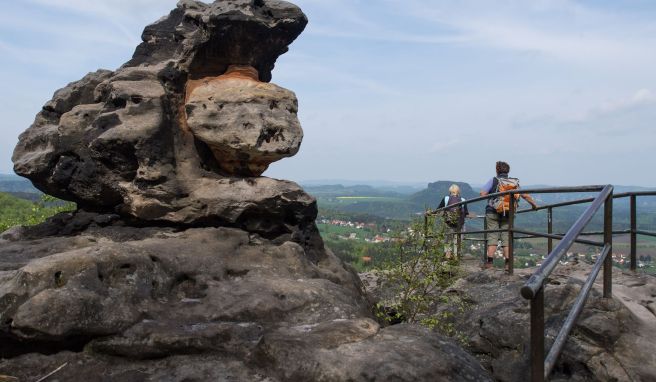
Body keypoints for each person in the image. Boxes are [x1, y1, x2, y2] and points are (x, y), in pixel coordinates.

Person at [480, 161, 538, 271]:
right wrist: (534, 205)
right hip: (508, 212)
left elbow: (482, 194)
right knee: (506, 237)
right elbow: (525, 195)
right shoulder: (513, 182)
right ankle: (507, 263)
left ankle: (489, 263)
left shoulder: (493, 180)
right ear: (508, 171)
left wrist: (492, 196)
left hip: (492, 211)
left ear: (497, 170)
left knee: (493, 236)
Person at [438, 184, 469, 258]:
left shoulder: (446, 198)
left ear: (450, 191)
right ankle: (456, 256)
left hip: (448, 223)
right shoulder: (463, 200)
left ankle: (447, 256)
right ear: (458, 192)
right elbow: (466, 213)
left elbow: (438, 209)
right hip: (459, 224)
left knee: (448, 240)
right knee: (457, 240)